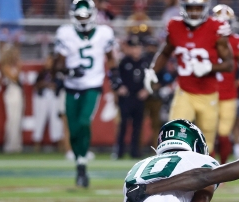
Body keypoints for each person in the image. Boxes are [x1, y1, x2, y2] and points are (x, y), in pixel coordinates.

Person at [143, 0, 233, 154]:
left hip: (208, 93)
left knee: (207, 141)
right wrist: (152, 70)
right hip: (184, 91)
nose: (194, 12)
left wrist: (209, 67)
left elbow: (229, 64)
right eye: (191, 8)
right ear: (183, 8)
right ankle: (172, 172)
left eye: (198, 8)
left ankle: (209, 174)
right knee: (174, 132)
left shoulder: (216, 28)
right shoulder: (175, 26)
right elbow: (165, 52)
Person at [54, 0, 116, 187]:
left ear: (93, 14)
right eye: (79, 16)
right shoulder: (65, 33)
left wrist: (115, 77)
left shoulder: (104, 33)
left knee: (83, 121)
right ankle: (79, 162)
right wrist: (69, 71)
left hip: (92, 85)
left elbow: (111, 59)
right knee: (73, 129)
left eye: (85, 15)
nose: (83, 19)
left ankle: (82, 163)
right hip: (71, 86)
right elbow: (58, 64)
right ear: (74, 15)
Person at [213, 4, 239, 164]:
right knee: (208, 133)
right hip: (206, 93)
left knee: (224, 133)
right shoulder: (205, 38)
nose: (223, 26)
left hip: (228, 94)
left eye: (226, 22)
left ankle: (221, 166)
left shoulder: (237, 42)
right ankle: (208, 165)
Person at [113, 35, 151, 159]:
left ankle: (135, 152)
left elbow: (153, 78)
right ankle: (119, 152)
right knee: (123, 125)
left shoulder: (145, 62)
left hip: (139, 98)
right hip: (126, 98)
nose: (136, 50)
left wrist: (147, 90)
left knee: (137, 126)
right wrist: (119, 87)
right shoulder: (124, 62)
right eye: (133, 48)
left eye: (138, 48)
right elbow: (114, 76)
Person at [32, 53, 64, 152]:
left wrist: (47, 84)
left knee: (56, 120)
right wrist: (46, 84)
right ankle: (37, 143)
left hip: (54, 98)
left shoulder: (57, 73)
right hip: (42, 98)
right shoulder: (41, 73)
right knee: (39, 119)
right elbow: (36, 85)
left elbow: (58, 86)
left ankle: (59, 143)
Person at [0, 44, 24, 153]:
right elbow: (14, 78)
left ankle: (16, 144)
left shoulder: (14, 66)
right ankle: (10, 144)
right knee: (12, 119)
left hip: (18, 91)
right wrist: (18, 68)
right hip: (11, 91)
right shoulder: (5, 66)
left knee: (18, 118)